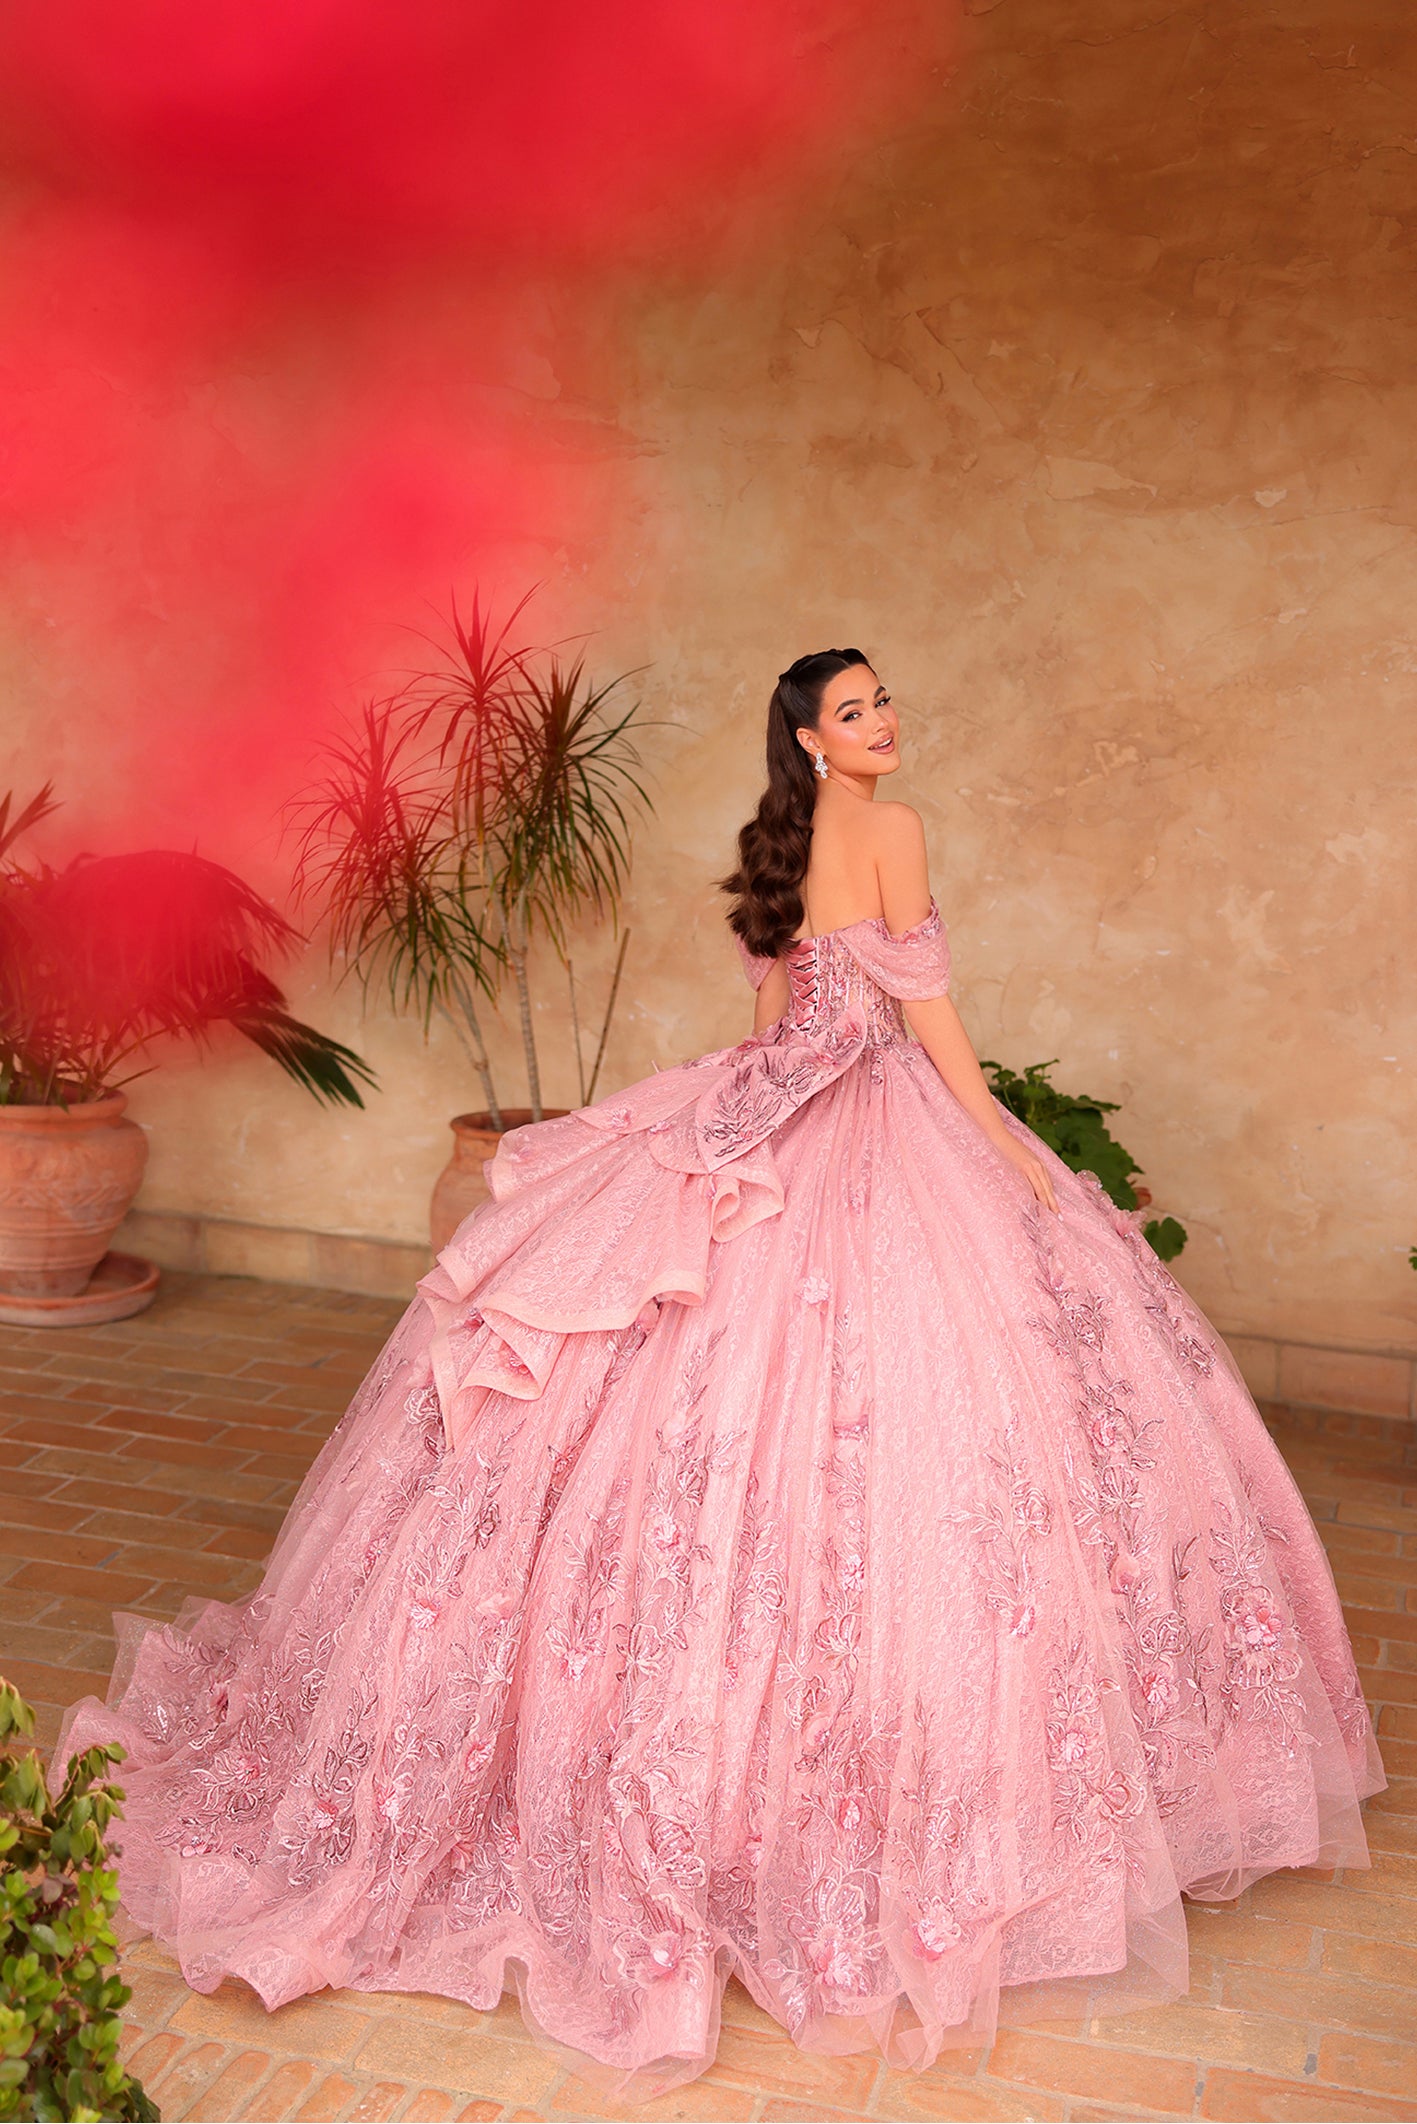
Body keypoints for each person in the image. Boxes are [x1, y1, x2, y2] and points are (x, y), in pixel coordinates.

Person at [61, 647, 1384, 2099]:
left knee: (663, 1389)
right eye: (858, 711)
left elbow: (773, 1034)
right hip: (871, 1124)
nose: (887, 723)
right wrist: (1017, 1158)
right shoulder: (890, 828)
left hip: (759, 1116)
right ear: (813, 742)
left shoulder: (777, 847)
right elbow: (933, 1033)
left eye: (885, 701)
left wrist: (729, 1132)